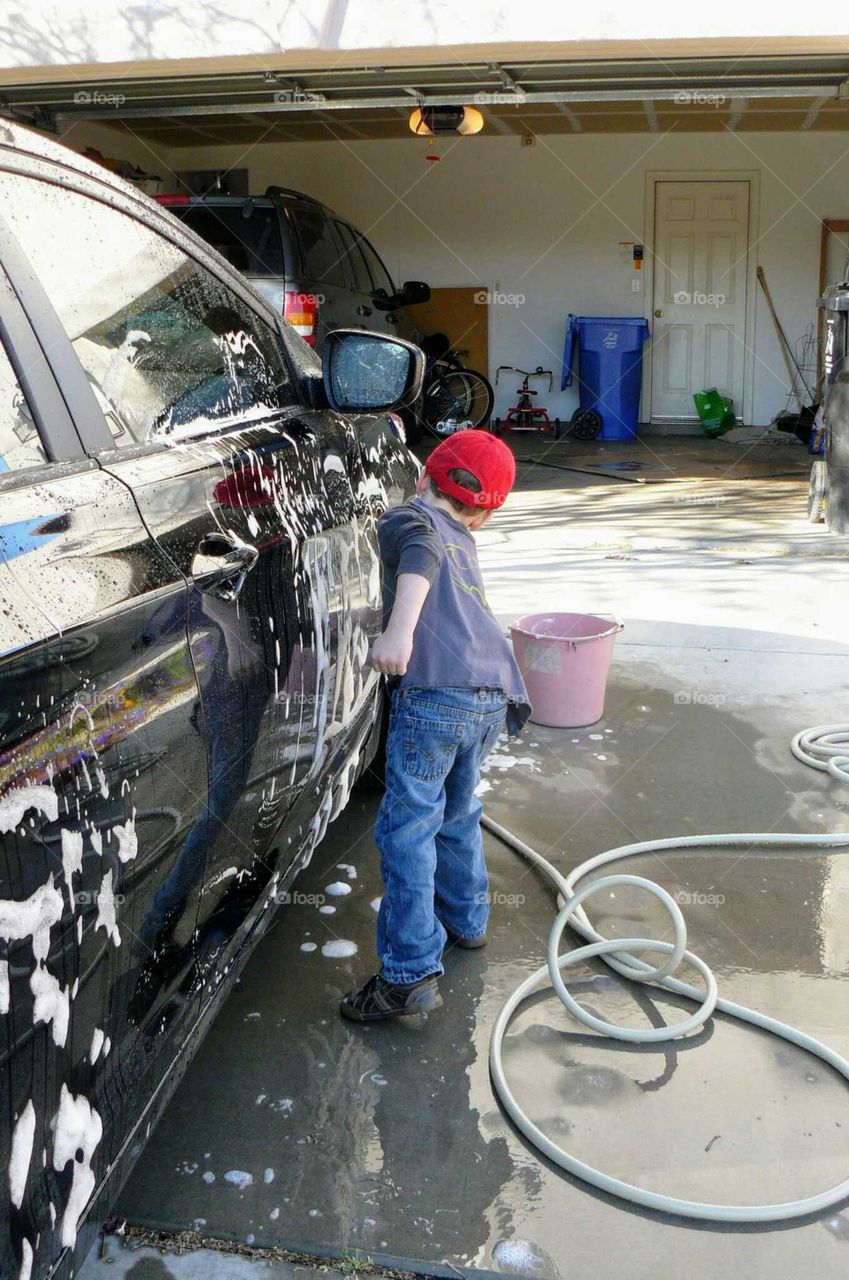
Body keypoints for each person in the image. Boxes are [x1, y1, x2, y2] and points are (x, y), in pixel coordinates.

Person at [340, 431, 530, 1022]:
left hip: (436, 697)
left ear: (426, 475)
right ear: (486, 510)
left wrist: (398, 634)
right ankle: (466, 919)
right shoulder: (465, 539)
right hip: (491, 693)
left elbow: (417, 559)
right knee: (456, 811)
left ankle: (407, 974)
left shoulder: (412, 518)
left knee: (407, 830)